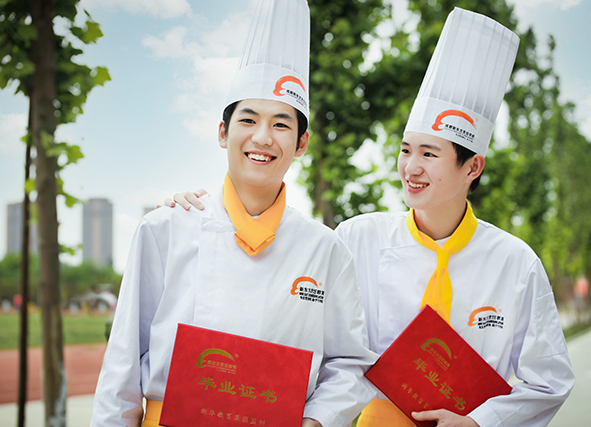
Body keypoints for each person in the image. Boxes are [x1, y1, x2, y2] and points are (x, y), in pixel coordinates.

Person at [168, 7, 575, 427]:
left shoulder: (515, 263)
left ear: (473, 167)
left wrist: (479, 422)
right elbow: (283, 293)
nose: (411, 167)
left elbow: (550, 380)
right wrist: (207, 212)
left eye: (429, 154)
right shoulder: (357, 238)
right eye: (406, 150)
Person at [91, 1, 377, 426]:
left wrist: (316, 420)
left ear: (301, 143)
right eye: (248, 120)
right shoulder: (165, 228)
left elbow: (349, 362)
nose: (262, 137)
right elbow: (122, 365)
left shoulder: (325, 249)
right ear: (223, 133)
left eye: (281, 124)